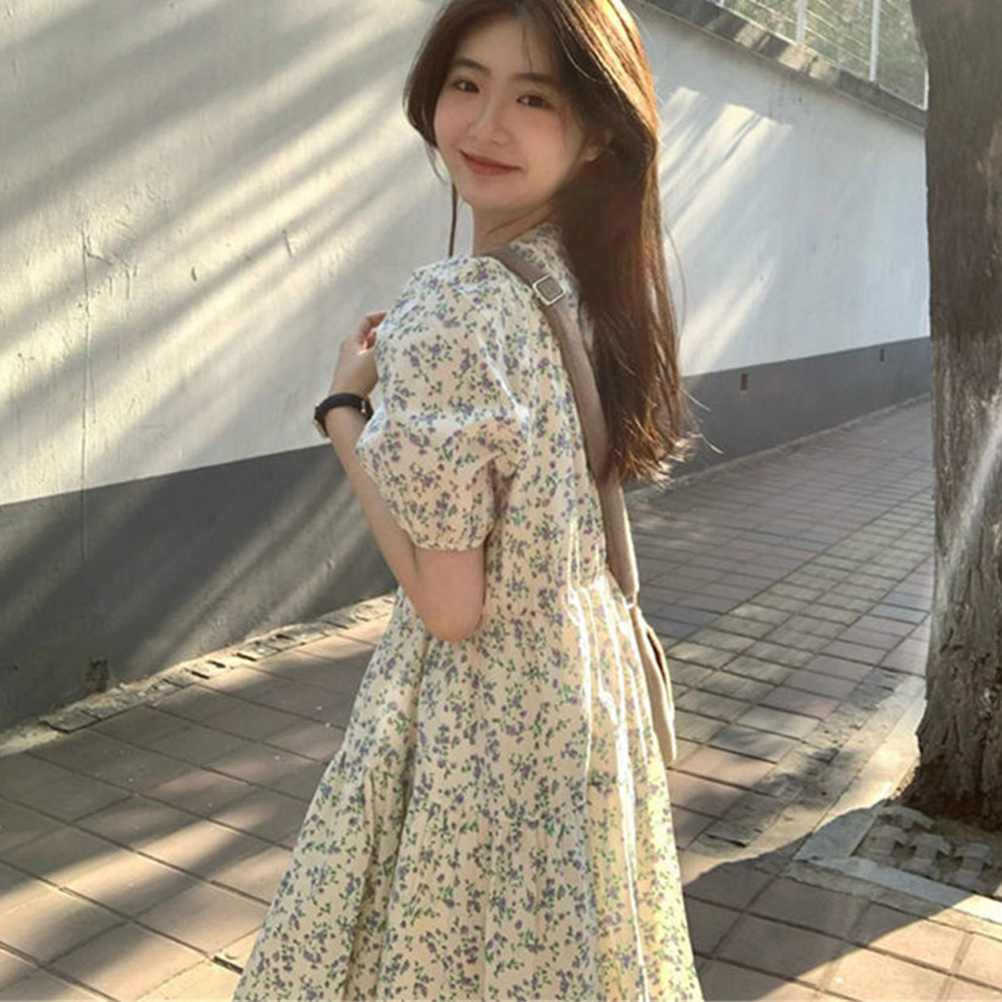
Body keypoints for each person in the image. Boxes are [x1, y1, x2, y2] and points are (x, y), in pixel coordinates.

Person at [234, 0, 701, 998]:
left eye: (535, 98)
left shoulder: (455, 305)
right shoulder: (585, 281)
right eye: (466, 83)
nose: (486, 125)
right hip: (581, 701)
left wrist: (343, 411)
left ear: (596, 134)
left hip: (479, 723)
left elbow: (450, 607)